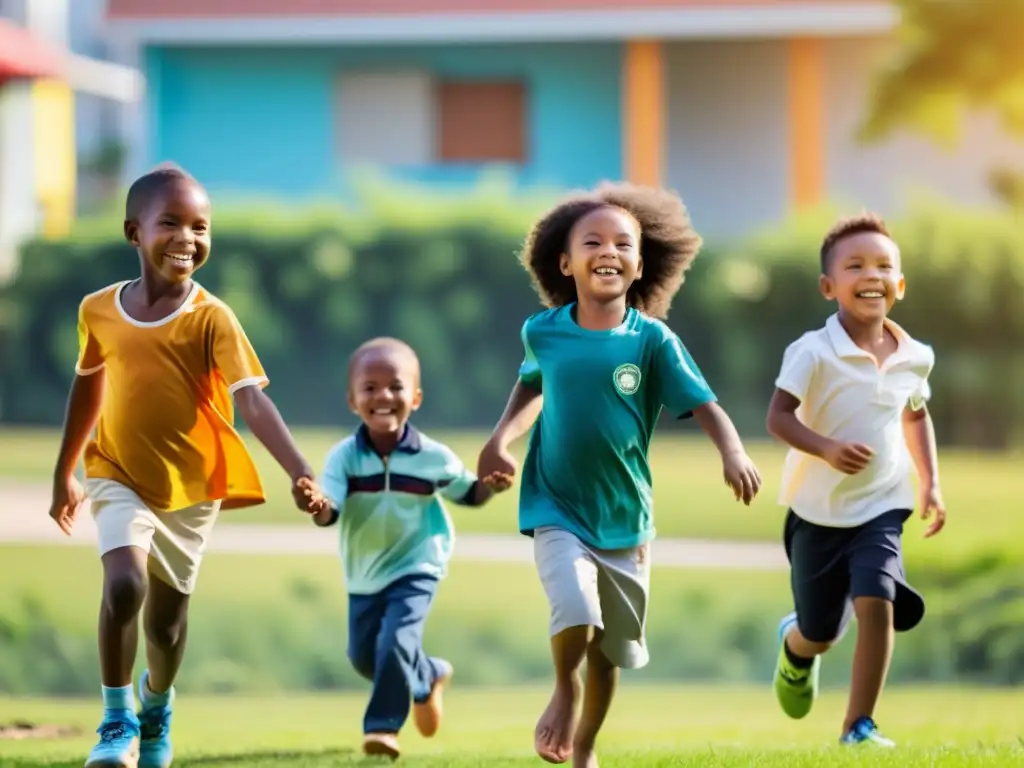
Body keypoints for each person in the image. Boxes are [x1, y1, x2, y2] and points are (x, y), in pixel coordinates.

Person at [47, 163, 327, 768]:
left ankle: (157, 706)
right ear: (133, 231)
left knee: (167, 628)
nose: (187, 238)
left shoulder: (212, 317)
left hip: (191, 491)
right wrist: (65, 469)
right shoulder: (98, 310)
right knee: (124, 584)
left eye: (200, 227)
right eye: (169, 223)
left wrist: (300, 471)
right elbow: (88, 387)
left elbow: (252, 398)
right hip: (116, 471)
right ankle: (116, 720)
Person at [477, 182, 762, 767]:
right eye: (593, 241)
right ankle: (563, 690)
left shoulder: (652, 339)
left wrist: (732, 452)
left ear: (638, 266)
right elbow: (533, 385)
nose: (608, 250)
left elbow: (706, 403)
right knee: (576, 610)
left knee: (610, 651)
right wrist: (500, 438)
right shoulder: (544, 331)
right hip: (555, 505)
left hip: (626, 518)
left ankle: (584, 746)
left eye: (622, 244)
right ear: (566, 261)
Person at [765, 212, 946, 747]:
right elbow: (777, 417)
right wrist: (826, 447)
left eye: (884, 264)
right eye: (856, 264)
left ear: (900, 284)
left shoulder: (916, 357)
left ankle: (858, 726)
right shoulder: (812, 352)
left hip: (882, 504)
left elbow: (915, 416)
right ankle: (795, 647)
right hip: (816, 513)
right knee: (819, 632)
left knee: (877, 600)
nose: (873, 273)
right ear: (829, 286)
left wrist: (930, 483)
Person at [311, 337, 510, 760]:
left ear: (415, 398)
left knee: (397, 640)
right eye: (370, 387)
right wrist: (316, 505)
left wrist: (488, 487)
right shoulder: (343, 459)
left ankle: (382, 728)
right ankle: (428, 675)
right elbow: (330, 510)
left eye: (396, 387)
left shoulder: (431, 457)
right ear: (352, 400)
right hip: (364, 571)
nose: (383, 396)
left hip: (419, 563)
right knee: (366, 657)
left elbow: (468, 495)